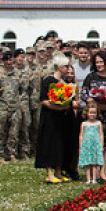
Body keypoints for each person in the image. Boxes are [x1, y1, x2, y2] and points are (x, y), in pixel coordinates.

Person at [35, 53, 79, 183]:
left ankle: (58, 171)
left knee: (61, 144)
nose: (67, 69)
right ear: (59, 67)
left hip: (63, 118)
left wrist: (69, 104)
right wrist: (59, 107)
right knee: (50, 144)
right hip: (50, 117)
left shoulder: (65, 82)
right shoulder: (48, 80)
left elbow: (70, 98)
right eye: (65, 66)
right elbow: (44, 100)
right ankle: (49, 173)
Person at [80, 50, 106, 181]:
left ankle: (102, 170)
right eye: (97, 62)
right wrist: (93, 103)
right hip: (94, 115)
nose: (99, 64)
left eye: (101, 62)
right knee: (94, 142)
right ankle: (93, 171)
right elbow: (84, 93)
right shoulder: (91, 77)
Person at [77, 105, 105, 185]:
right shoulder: (84, 124)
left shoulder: (98, 123)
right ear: (87, 113)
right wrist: (80, 146)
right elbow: (81, 135)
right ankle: (88, 179)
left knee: (94, 163)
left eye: (94, 113)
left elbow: (101, 134)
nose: (92, 114)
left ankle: (94, 179)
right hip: (87, 145)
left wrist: (101, 145)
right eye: (90, 113)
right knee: (88, 163)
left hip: (95, 145)